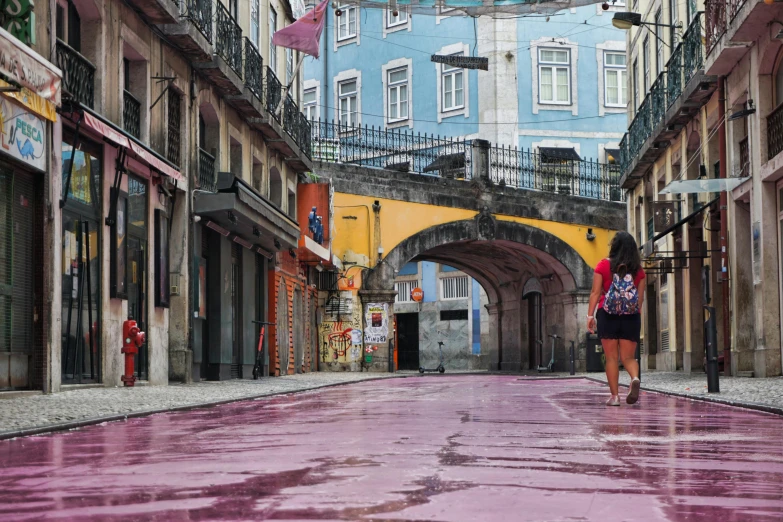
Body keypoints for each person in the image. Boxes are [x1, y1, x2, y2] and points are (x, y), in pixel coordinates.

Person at [587, 231, 645, 406]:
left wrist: (590, 316)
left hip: (607, 314)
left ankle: (615, 397)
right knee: (628, 357)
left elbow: (595, 293)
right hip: (631, 317)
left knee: (611, 357)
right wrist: (634, 317)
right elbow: (640, 300)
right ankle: (634, 378)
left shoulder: (603, 266)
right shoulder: (639, 271)